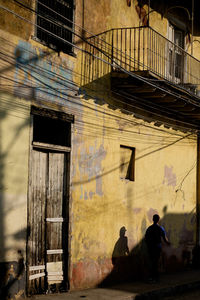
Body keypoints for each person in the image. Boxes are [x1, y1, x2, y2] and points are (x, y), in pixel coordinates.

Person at [145, 214, 170, 282]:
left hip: (151, 248)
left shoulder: (149, 228)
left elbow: (146, 239)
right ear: (158, 220)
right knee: (155, 262)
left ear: (153, 219)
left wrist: (149, 245)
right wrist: (168, 243)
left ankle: (151, 277)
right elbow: (165, 239)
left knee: (151, 262)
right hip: (157, 248)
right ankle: (155, 277)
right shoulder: (160, 228)